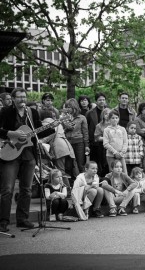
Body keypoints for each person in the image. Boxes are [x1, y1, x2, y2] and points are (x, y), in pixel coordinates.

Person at [0, 88, 54, 231]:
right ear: (12, 98)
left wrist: (55, 126)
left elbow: (38, 131)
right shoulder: (5, 112)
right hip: (11, 153)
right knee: (7, 189)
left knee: (27, 189)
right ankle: (3, 221)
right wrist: (11, 133)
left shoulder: (32, 113)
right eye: (19, 97)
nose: (23, 100)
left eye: (24, 97)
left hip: (29, 154)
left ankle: (22, 219)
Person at [62, 98, 90, 174]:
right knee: (68, 164)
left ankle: (83, 181)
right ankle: (70, 183)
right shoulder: (64, 118)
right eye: (67, 107)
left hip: (79, 143)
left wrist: (86, 145)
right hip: (67, 142)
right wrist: (66, 128)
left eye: (69, 107)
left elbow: (85, 132)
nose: (68, 109)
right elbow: (61, 131)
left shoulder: (82, 118)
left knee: (80, 164)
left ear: (74, 107)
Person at [86, 92, 107, 176]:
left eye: (103, 100)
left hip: (106, 142)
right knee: (96, 163)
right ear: (96, 101)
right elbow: (87, 128)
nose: (102, 101)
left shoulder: (108, 112)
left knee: (105, 163)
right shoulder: (90, 113)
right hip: (94, 142)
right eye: (100, 100)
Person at [103, 110, 128, 175]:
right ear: (109, 119)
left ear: (119, 119)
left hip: (121, 155)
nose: (115, 120)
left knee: (124, 173)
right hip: (111, 155)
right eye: (113, 118)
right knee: (113, 173)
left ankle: (125, 185)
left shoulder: (122, 129)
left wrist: (122, 152)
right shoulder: (106, 130)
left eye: (116, 118)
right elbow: (105, 143)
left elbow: (125, 142)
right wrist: (115, 152)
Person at [93, 107, 111, 177]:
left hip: (113, 146)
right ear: (102, 115)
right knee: (104, 164)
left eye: (109, 114)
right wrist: (107, 138)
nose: (107, 115)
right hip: (103, 147)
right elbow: (97, 138)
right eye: (106, 114)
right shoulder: (99, 125)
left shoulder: (113, 124)